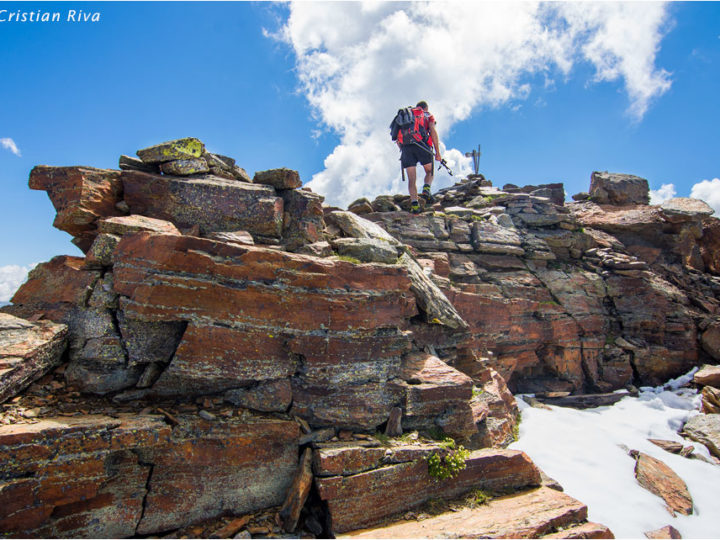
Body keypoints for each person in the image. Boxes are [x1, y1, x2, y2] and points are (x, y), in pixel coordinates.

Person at [396, 101, 442, 214]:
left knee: (412, 179)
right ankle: (426, 189)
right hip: (421, 144)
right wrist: (437, 152)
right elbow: (433, 131)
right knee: (429, 171)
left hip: (406, 148)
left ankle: (415, 205)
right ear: (426, 108)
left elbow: (396, 137)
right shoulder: (427, 115)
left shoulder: (405, 116)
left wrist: (403, 150)